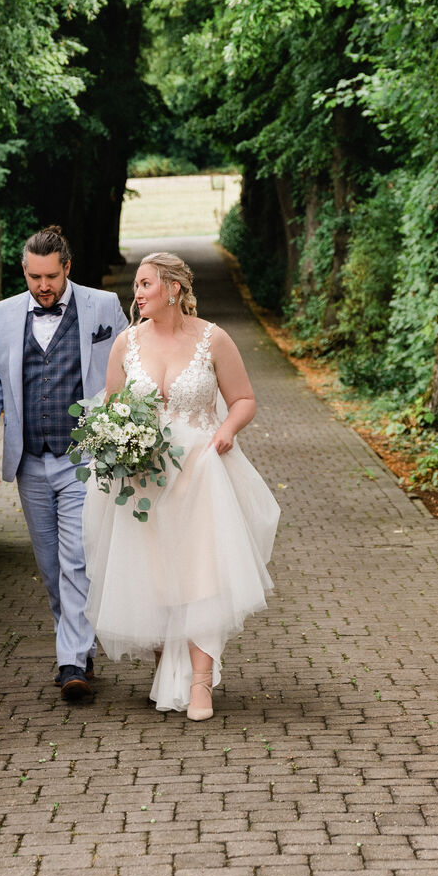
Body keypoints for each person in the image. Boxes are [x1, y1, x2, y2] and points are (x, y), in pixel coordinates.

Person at [83, 251, 279, 719]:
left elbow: (244, 399)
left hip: (200, 471)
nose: (138, 293)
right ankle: (164, 669)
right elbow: (110, 408)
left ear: (173, 289)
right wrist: (116, 443)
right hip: (144, 477)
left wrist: (226, 431)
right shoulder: (126, 344)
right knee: (155, 576)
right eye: (136, 286)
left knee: (200, 575)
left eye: (146, 284)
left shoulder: (213, 339)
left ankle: (199, 682)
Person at [0, 225, 129, 701]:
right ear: (24, 271)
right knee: (50, 565)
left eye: (51, 277)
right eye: (35, 277)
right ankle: (79, 647)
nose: (43, 286)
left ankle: (71, 662)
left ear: (67, 269)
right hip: (30, 461)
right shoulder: (3, 314)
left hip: (83, 456)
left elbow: (133, 367)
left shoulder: (102, 307)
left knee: (76, 560)